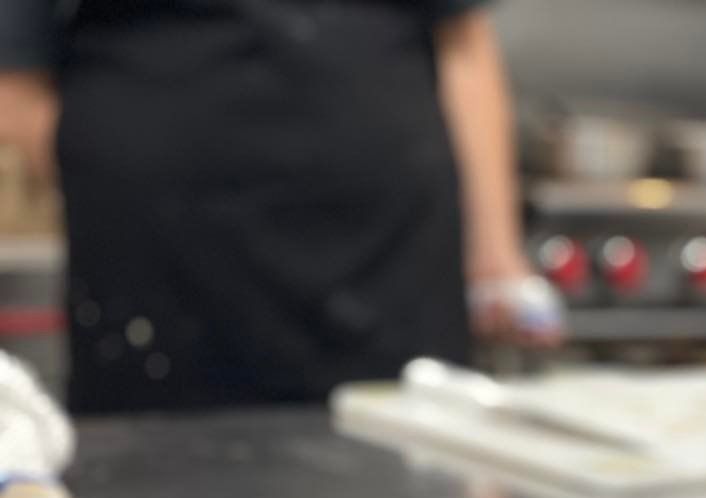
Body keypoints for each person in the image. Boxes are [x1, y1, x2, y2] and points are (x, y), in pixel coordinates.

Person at [0, 0, 558, 413]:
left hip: (391, 269)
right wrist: (132, 177)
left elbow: (463, 40)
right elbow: (14, 82)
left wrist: (496, 258)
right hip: (158, 284)